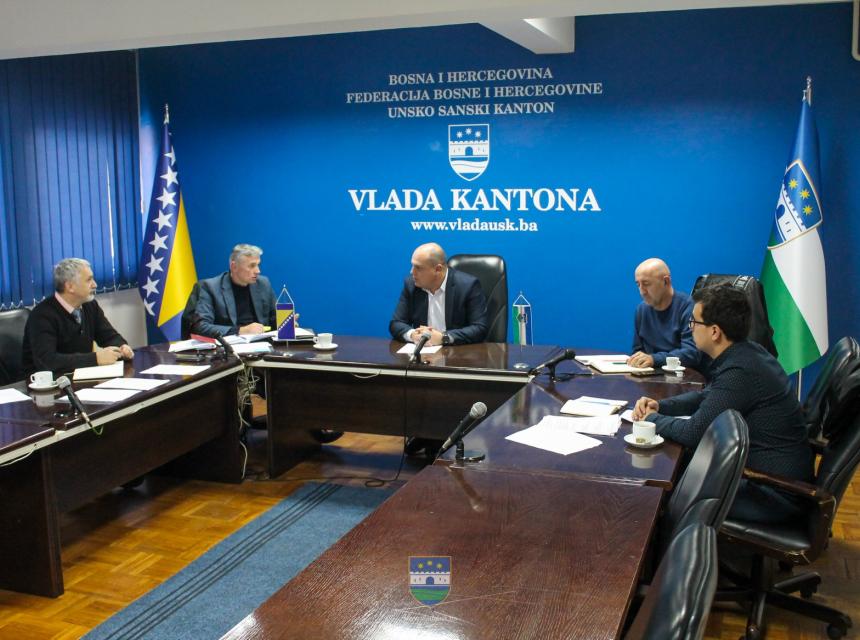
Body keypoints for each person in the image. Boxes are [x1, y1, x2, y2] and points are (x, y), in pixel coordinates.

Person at [632, 283, 814, 524]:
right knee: (679, 469)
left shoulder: (740, 371)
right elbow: (707, 396)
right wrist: (661, 406)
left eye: (694, 323)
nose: (690, 328)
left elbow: (693, 433)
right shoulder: (747, 353)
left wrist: (651, 420)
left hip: (774, 493)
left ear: (715, 331)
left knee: (665, 494)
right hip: (764, 477)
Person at [22, 258, 134, 376]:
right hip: (46, 382)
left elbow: (108, 336)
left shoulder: (90, 305)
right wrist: (95, 358)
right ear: (70, 286)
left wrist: (122, 347)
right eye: (89, 280)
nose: (95, 285)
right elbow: (48, 361)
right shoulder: (42, 315)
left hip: (81, 376)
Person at [389, 242, 488, 346]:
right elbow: (396, 323)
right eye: (412, 266)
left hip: (457, 352)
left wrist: (443, 338)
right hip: (424, 351)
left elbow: (480, 328)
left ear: (438, 269)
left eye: (418, 267)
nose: (412, 272)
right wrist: (413, 335)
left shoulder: (468, 286)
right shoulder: (411, 285)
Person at [628, 257, 699, 369]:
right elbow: (638, 351)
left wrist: (654, 359)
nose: (642, 291)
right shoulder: (641, 310)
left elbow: (691, 353)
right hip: (650, 374)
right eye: (638, 285)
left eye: (646, 284)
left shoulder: (690, 308)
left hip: (683, 374)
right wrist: (637, 360)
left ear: (666, 281)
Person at [192, 244, 277, 338]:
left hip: (262, 341)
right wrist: (240, 330)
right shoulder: (210, 287)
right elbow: (201, 326)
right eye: (252, 266)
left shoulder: (263, 284)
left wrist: (286, 324)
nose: (258, 271)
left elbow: (275, 319)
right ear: (234, 266)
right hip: (229, 344)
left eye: (258, 265)